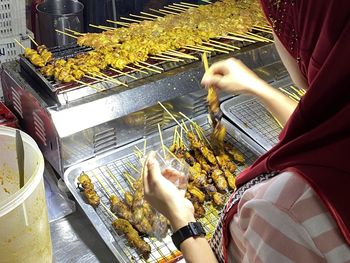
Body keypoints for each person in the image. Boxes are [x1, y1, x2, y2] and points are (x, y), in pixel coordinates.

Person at [142, 0, 350, 262]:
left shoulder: (283, 210)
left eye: (277, 23)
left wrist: (181, 219)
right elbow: (322, 139)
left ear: (312, 36)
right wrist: (257, 87)